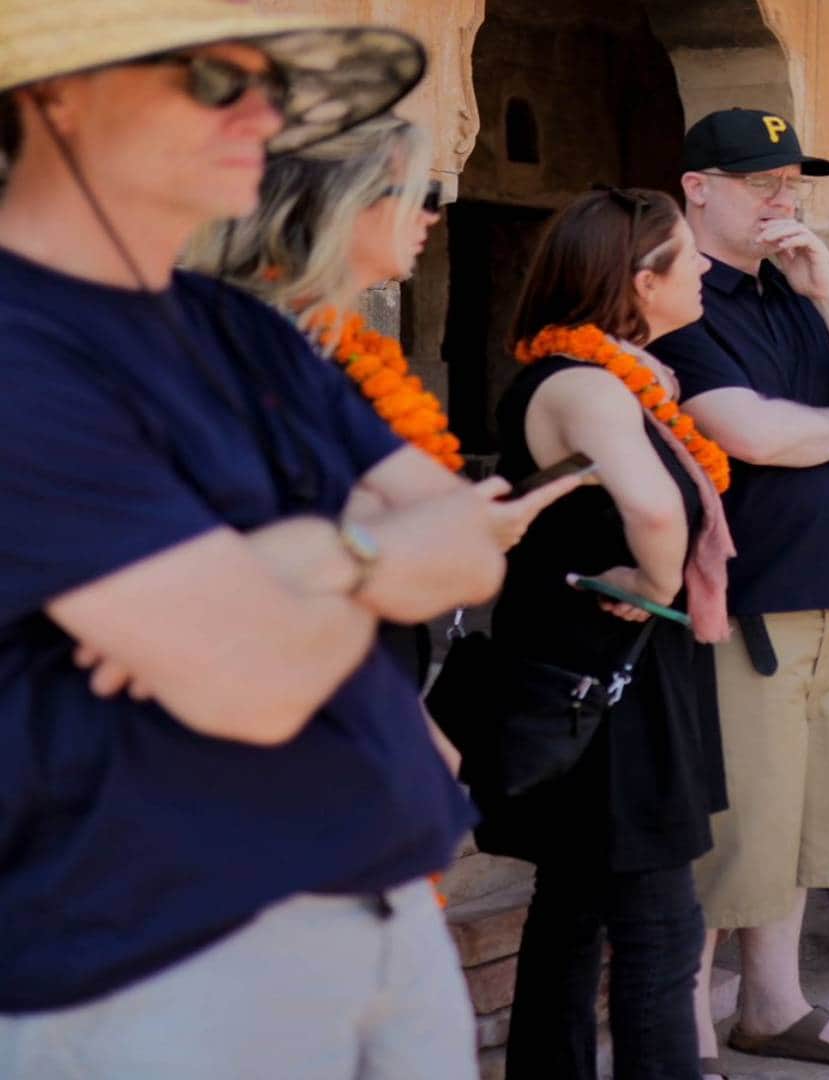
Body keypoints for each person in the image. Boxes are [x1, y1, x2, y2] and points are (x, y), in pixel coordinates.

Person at [0, 7, 577, 1077]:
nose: (265, 113)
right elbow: (251, 680)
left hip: (385, 910)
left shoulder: (243, 329)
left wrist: (292, 565)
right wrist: (373, 553)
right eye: (214, 81)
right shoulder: (21, 346)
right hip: (164, 954)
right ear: (54, 94)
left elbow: (473, 544)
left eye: (266, 83)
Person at [646, 107, 829, 1074]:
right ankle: (683, 1034)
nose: (784, 196)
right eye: (763, 179)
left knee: (810, 818)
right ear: (698, 187)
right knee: (734, 833)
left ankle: (774, 1004)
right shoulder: (676, 297)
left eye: (793, 181)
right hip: (744, 605)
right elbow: (753, 436)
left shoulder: (800, 295)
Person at [474, 187, 735, 1079]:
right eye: (687, 255)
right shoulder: (583, 383)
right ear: (638, 279)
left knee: (574, 906)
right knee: (660, 931)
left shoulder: (616, 379)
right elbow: (656, 513)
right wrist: (658, 585)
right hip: (604, 684)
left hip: (608, 675)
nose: (702, 269)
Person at [181, 114, 456, 689]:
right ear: (344, 203)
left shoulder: (326, 344)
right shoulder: (257, 345)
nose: (432, 214)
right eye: (420, 194)